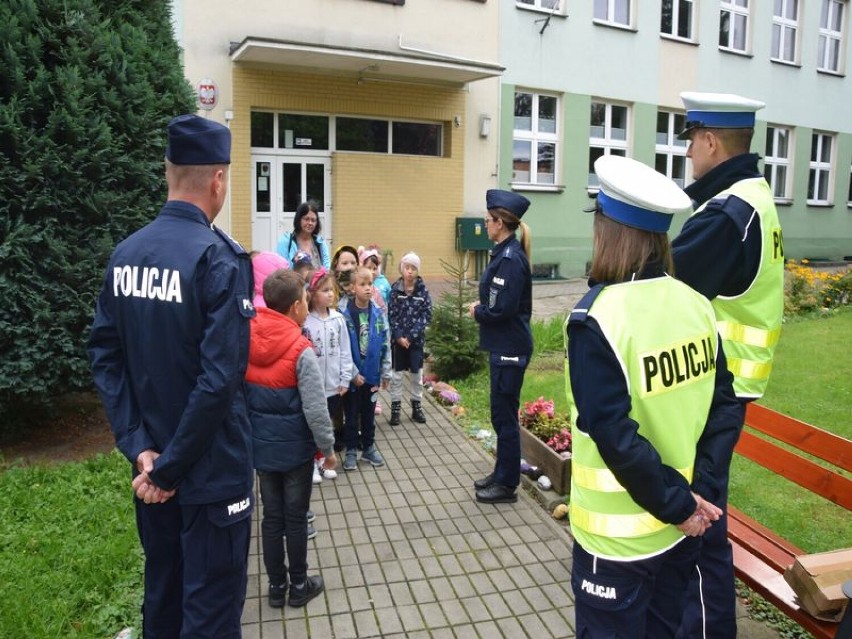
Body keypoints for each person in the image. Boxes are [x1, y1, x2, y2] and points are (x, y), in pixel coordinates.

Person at [88, 114, 255, 638]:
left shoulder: (126, 255)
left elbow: (106, 357)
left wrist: (142, 451)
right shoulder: (219, 260)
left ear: (168, 172)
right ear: (218, 179)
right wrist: (171, 469)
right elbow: (218, 381)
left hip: (152, 471)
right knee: (209, 614)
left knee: (163, 601)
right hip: (206, 482)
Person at [566, 155, 743, 638]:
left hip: (617, 546)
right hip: (680, 529)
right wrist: (697, 492)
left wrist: (681, 505)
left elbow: (614, 434)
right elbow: (725, 405)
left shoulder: (595, 318)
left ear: (607, 231)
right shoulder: (695, 304)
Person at [672, 92, 785, 639]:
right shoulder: (753, 196)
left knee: (700, 523)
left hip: (716, 386)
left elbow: (665, 288)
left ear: (712, 142)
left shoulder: (727, 212)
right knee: (703, 514)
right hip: (731, 382)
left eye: (692, 142)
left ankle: (710, 630)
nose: (689, 153)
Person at [245, 268, 336, 609]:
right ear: (297, 306)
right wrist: (327, 451)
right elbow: (315, 411)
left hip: (263, 451)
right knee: (295, 518)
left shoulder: (247, 340)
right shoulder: (301, 349)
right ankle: (299, 585)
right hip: (297, 453)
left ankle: (274, 587)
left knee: (271, 517)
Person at [468, 189, 533, 504]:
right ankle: (501, 472)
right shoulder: (504, 252)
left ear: (500, 223)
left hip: (510, 348)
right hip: (504, 346)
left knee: (505, 417)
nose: (485, 222)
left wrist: (477, 311)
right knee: (500, 415)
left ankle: (507, 486)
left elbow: (501, 309)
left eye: (488, 219)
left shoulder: (510, 259)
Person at [303, 267, 353, 479]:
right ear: (312, 294)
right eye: (324, 290)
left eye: (332, 290)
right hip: (313, 388)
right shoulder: (305, 321)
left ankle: (324, 460)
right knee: (313, 425)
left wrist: (345, 378)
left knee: (329, 422)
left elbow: (345, 350)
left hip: (333, 385)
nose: (331, 294)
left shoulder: (338, 319)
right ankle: (312, 463)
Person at [341, 266, 392, 471]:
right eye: (362, 284)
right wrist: (352, 373)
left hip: (372, 375)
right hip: (353, 377)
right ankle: (351, 450)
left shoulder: (378, 314)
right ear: (353, 288)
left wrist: (386, 371)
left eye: (370, 283)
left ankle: (369, 447)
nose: (368, 288)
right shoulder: (344, 315)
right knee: (351, 415)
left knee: (369, 414)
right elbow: (342, 349)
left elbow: (386, 343)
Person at [388, 252, 433, 426]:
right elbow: (392, 314)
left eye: (413, 268)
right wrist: (398, 336)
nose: (409, 271)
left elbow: (426, 314)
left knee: (416, 375)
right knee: (397, 376)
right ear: (402, 268)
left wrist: (412, 336)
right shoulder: (395, 290)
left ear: (417, 271)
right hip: (398, 343)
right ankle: (395, 408)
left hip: (416, 343)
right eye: (407, 267)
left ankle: (416, 407)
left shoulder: (423, 291)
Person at [276, 201, 331, 269]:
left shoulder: (320, 243)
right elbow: (281, 270)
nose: (310, 223)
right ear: (299, 220)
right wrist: (294, 262)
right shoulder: (286, 242)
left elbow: (327, 268)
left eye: (313, 220)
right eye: (306, 219)